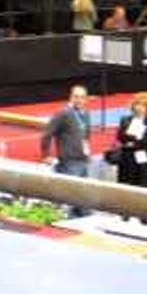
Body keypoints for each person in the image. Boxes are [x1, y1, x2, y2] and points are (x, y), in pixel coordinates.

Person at [41, 85, 93, 218]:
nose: (79, 100)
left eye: (82, 97)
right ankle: (68, 221)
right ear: (70, 97)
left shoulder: (86, 113)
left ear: (86, 99)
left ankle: (85, 220)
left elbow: (86, 136)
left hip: (83, 160)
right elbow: (47, 134)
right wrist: (45, 155)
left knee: (84, 196)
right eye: (76, 96)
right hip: (69, 161)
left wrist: (87, 153)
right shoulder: (63, 113)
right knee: (71, 197)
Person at [115, 93, 147, 192]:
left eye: (143, 105)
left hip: (143, 161)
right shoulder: (125, 120)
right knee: (127, 189)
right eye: (137, 104)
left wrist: (132, 142)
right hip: (127, 161)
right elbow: (120, 136)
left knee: (144, 188)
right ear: (133, 106)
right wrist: (135, 139)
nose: (140, 108)